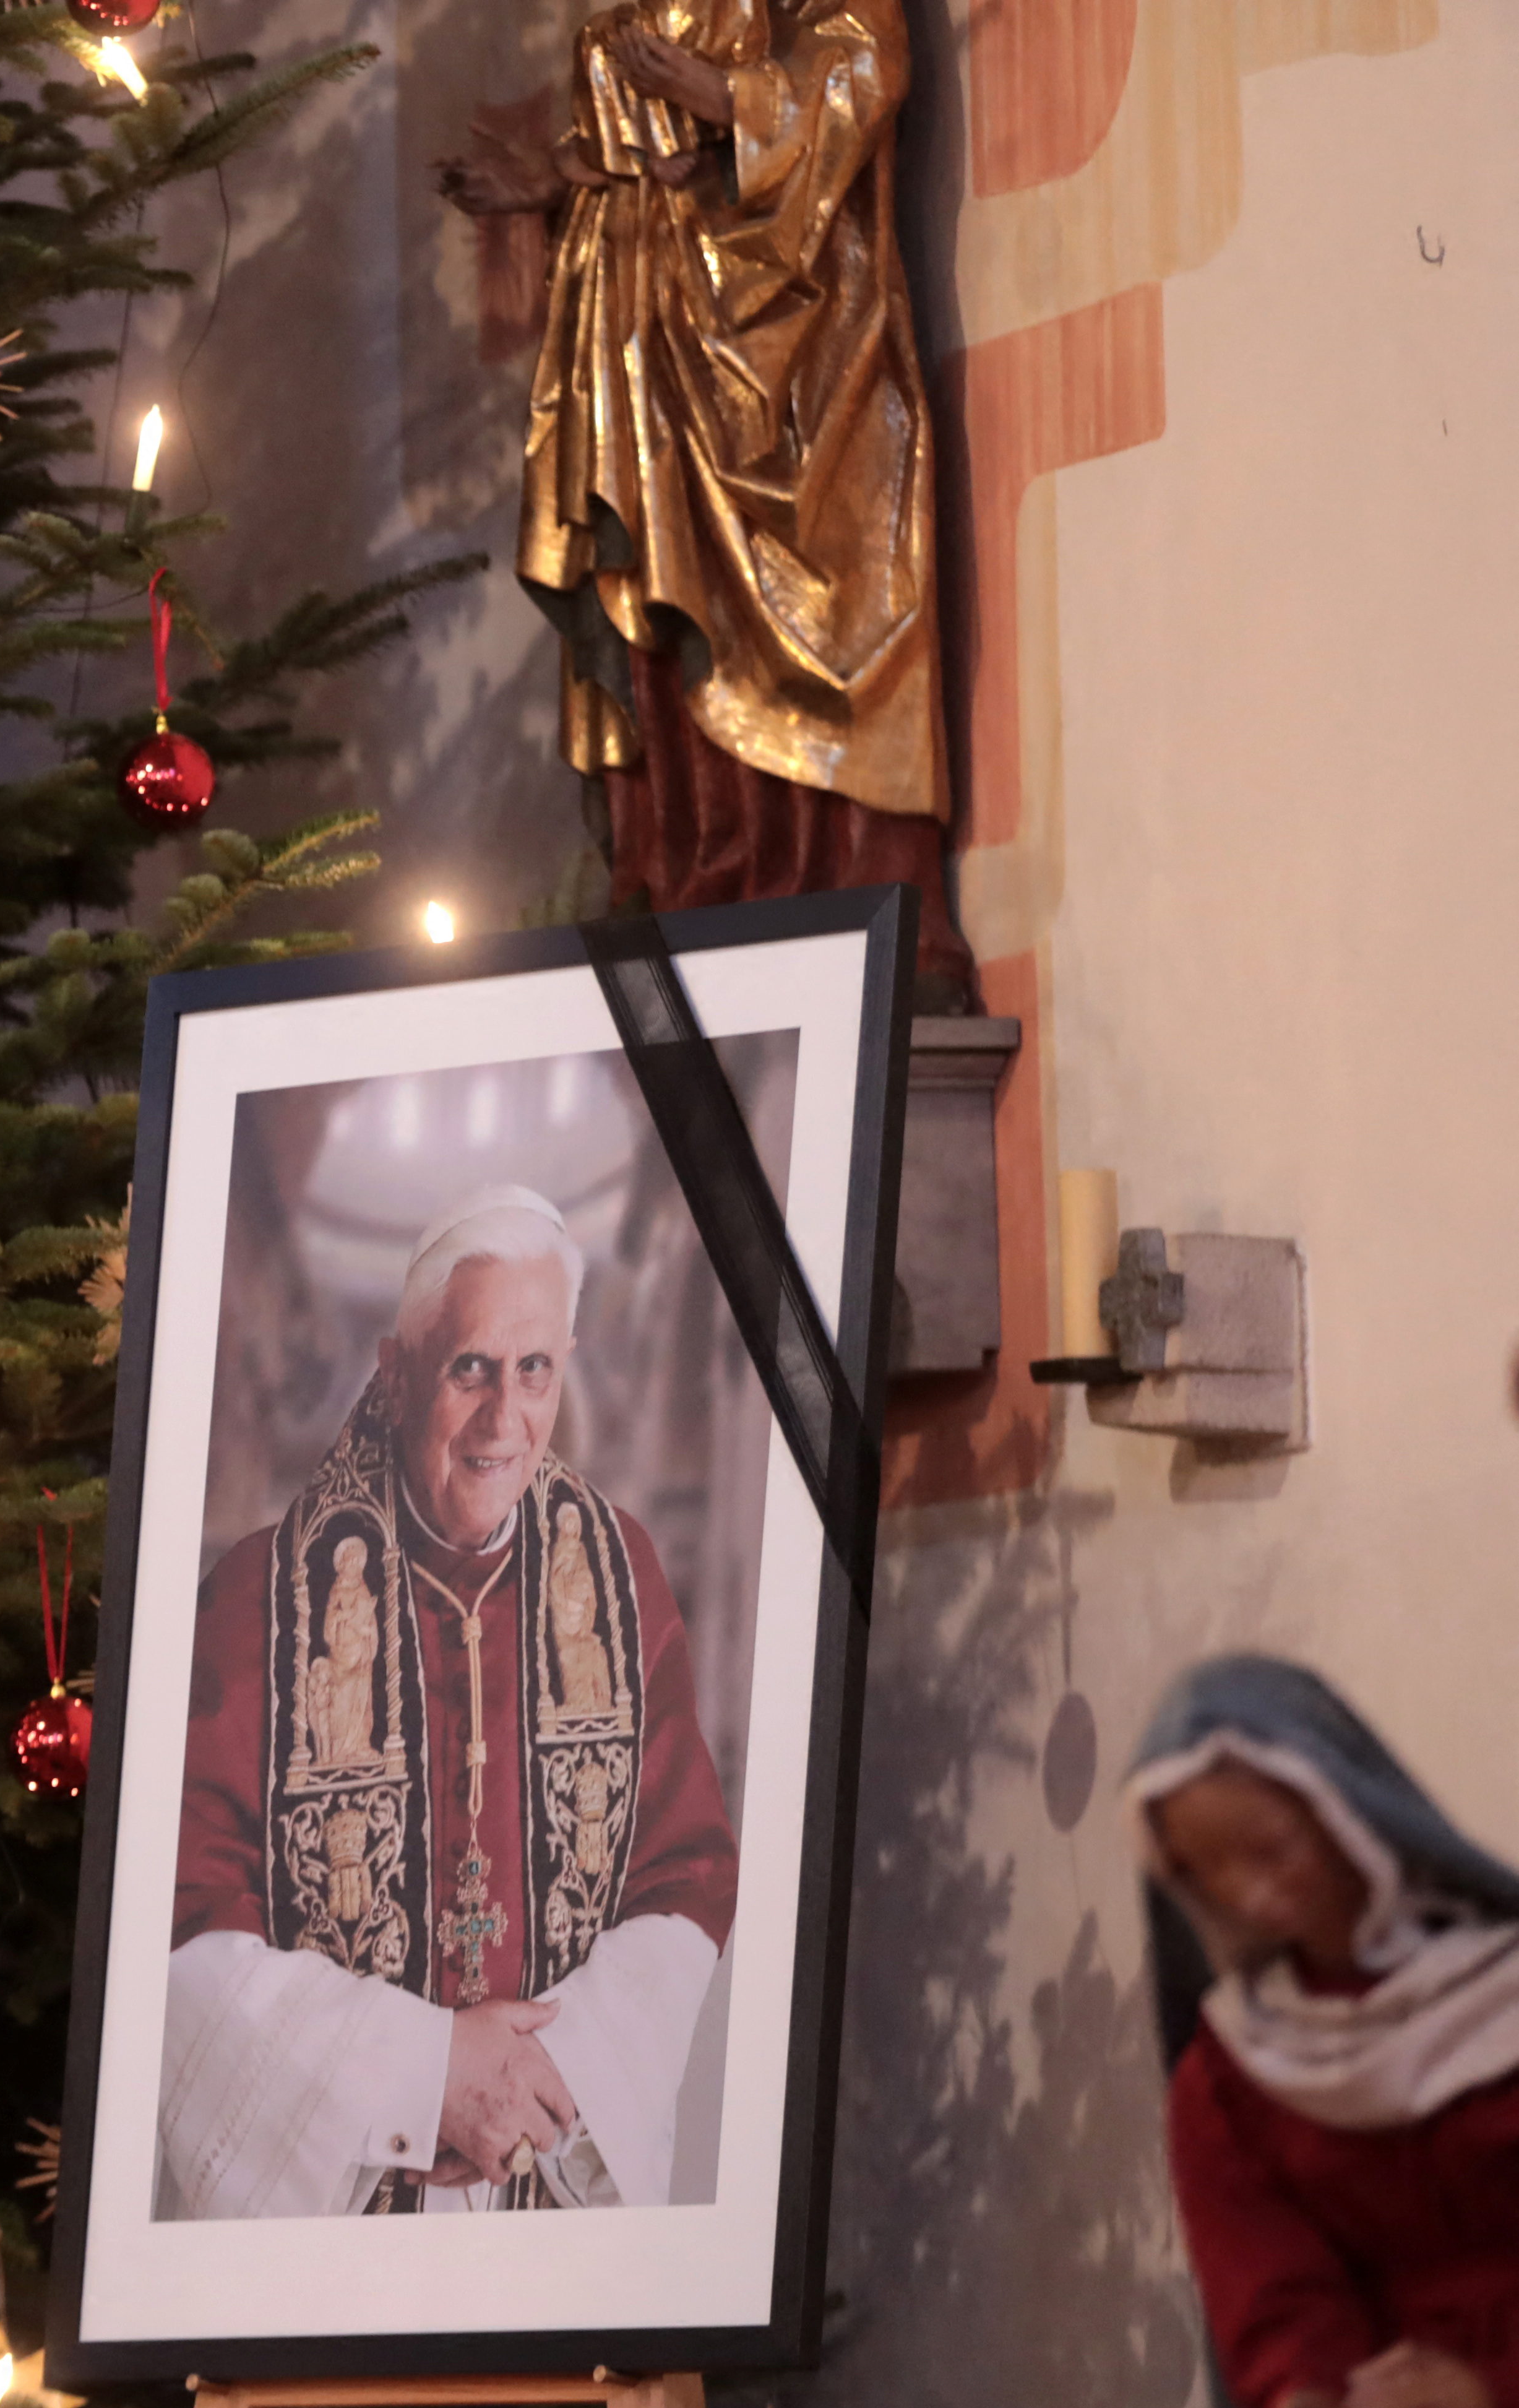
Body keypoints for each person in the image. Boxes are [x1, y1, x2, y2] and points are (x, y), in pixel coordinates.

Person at [161, 1186, 739, 2218]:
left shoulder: (619, 1576)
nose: (502, 1421)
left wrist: (537, 2086)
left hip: (553, 2167)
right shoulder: (263, 1598)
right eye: (468, 1369)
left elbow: (684, 1876)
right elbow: (188, 1920)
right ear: (395, 1373)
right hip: (350, 2191)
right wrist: (420, 2075)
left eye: (534, 1374)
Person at [435, 0, 962, 998]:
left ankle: (844, 898)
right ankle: (685, 881)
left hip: (775, 299)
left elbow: (864, 56)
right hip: (633, 291)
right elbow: (632, 113)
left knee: (814, 582)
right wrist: (557, 176)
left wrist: (725, 98)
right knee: (644, 588)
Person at [1133, 1656, 1519, 2408]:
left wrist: (1494, 2380)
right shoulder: (1234, 2073)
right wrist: (1307, 2393)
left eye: (1270, 1849)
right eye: (1212, 1874)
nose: (1255, 1895)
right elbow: (1271, 2281)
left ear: (1345, 1804)